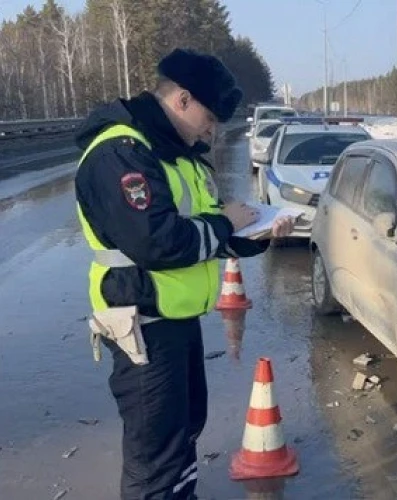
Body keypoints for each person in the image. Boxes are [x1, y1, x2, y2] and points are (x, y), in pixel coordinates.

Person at [73, 48, 294, 499]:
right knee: (156, 458)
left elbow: (206, 232)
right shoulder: (122, 152)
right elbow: (158, 242)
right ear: (183, 99)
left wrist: (259, 232)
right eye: (209, 119)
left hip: (176, 321)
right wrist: (225, 224)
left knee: (183, 433)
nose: (212, 131)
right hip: (142, 323)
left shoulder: (178, 154)